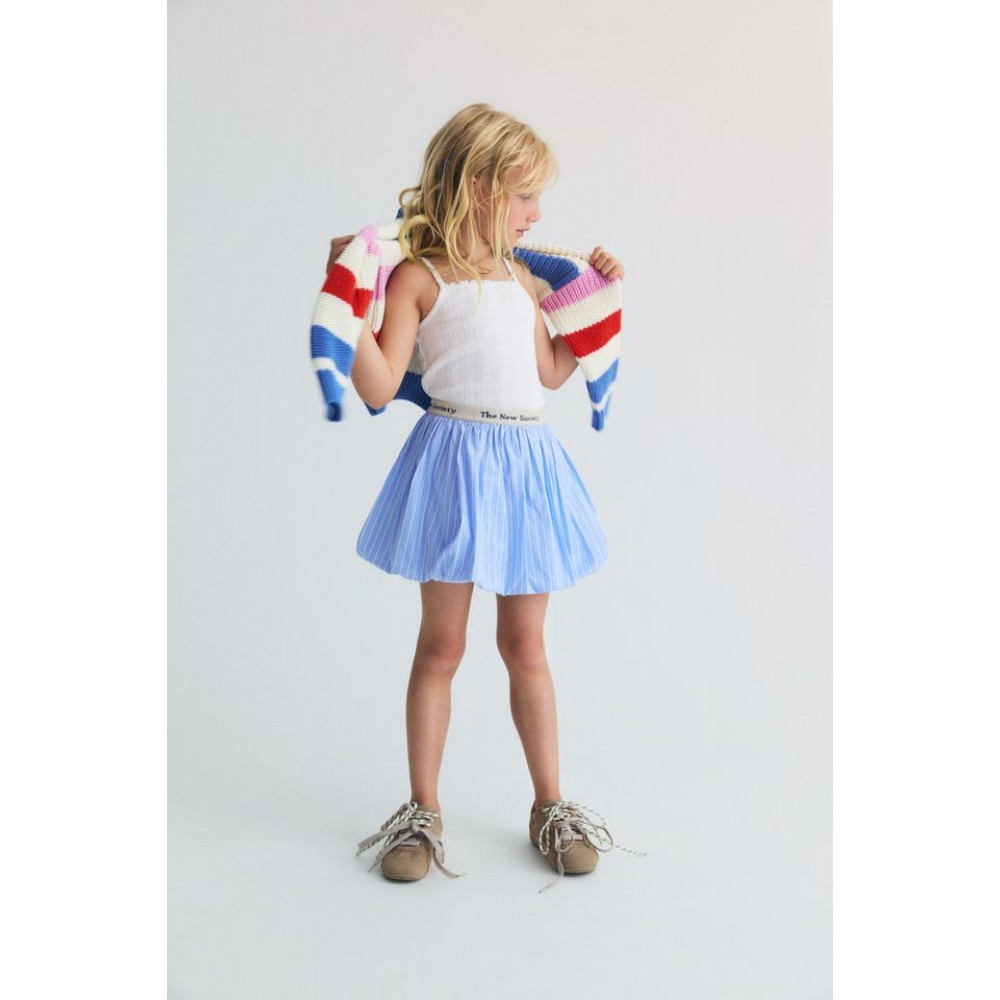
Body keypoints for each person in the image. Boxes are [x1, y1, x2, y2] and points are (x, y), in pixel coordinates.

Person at [333, 103, 641, 892]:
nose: (537, 214)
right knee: (442, 646)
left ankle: (550, 805)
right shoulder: (420, 278)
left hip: (526, 469)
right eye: (525, 196)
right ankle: (421, 810)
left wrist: (598, 298)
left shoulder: (525, 279)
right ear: (478, 186)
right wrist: (351, 303)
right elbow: (377, 386)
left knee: (525, 646)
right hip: (454, 464)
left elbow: (550, 373)